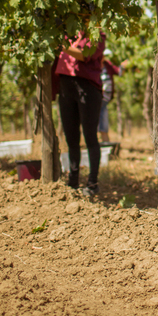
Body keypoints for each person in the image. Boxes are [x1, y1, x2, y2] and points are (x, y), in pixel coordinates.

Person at [55, 31, 105, 196]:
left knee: (90, 137)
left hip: (88, 89)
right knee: (71, 138)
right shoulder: (68, 31)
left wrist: (61, 44)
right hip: (65, 87)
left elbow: (84, 54)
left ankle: (92, 183)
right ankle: (73, 181)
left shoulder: (97, 34)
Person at [98, 49, 129, 143]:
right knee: (101, 116)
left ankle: (104, 141)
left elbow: (119, 72)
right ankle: (103, 141)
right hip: (98, 97)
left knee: (102, 115)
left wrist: (123, 66)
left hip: (105, 98)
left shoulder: (107, 65)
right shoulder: (94, 65)